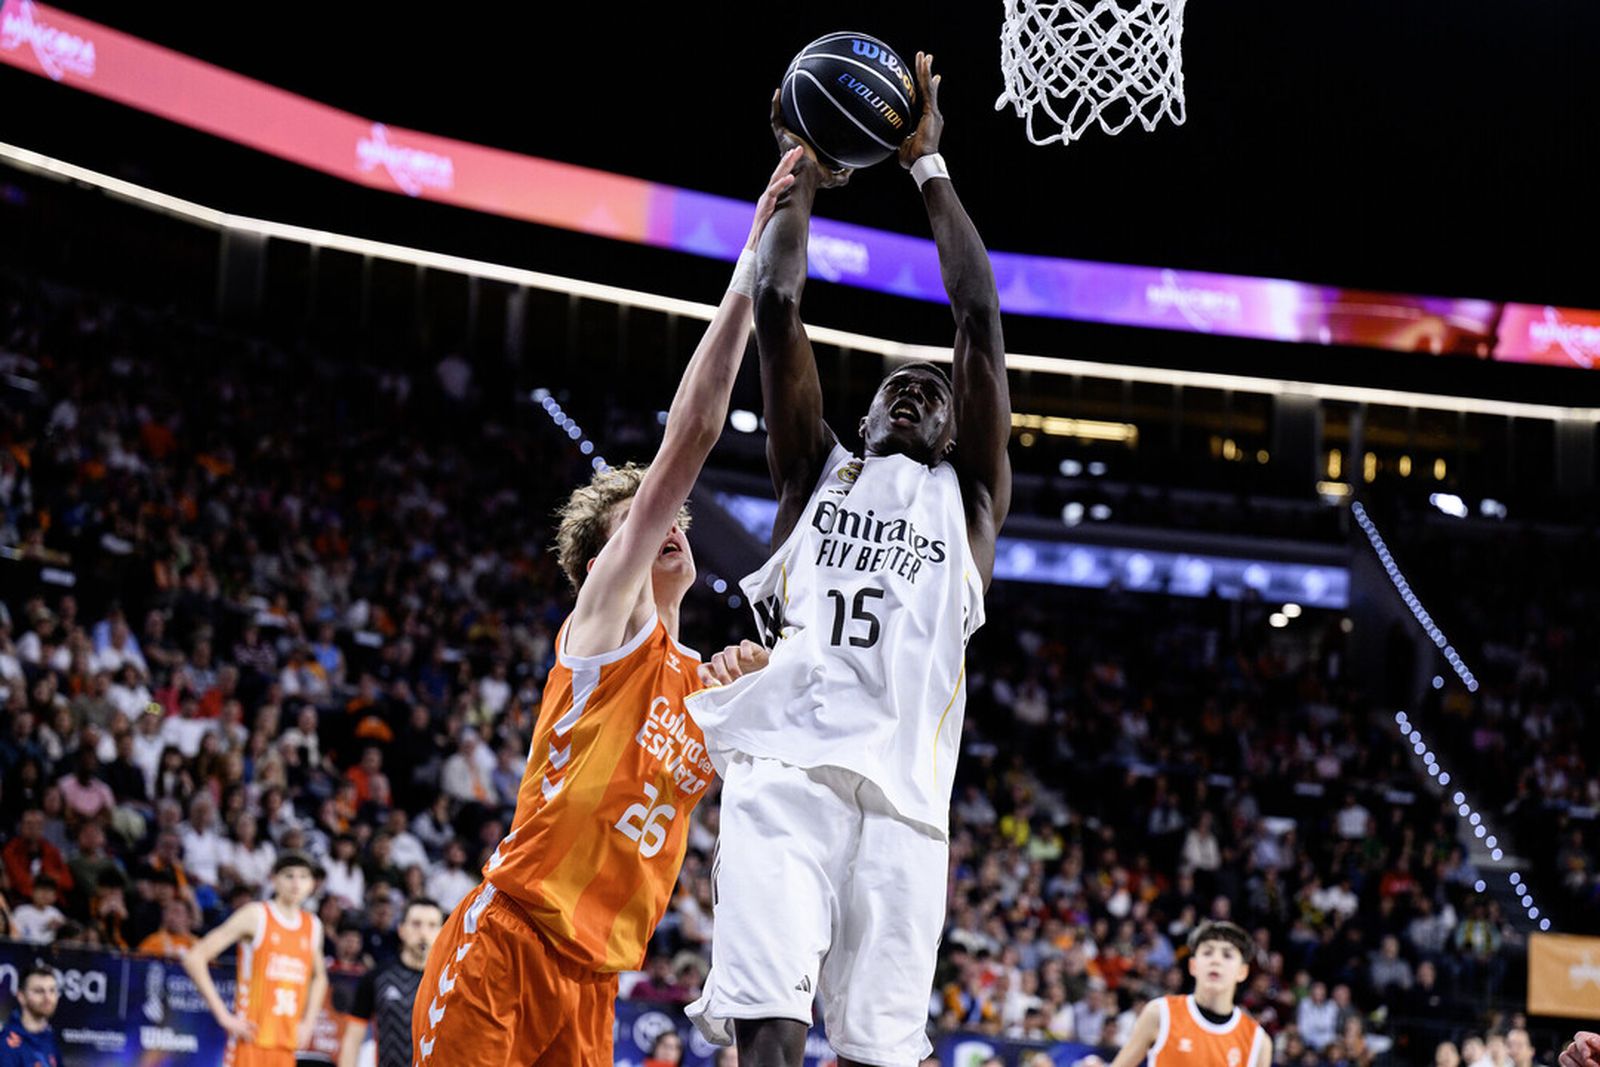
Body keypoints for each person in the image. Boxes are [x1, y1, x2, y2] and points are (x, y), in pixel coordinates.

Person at [409, 148, 803, 1067]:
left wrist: (759, 675)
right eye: (642, 520)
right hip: (508, 943)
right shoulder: (604, 630)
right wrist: (751, 266)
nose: (669, 526)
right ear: (604, 562)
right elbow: (693, 435)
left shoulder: (704, 686)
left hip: (596, 984)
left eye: (670, 518)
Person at [684, 53, 1012, 1067]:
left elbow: (976, 322)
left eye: (935, 392)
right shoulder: (811, 475)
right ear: (862, 414)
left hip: (908, 804)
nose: (917, 391)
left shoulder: (970, 501)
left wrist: (927, 166)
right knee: (771, 1035)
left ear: (959, 427)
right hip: (786, 772)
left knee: (880, 1054)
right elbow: (778, 306)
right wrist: (800, 166)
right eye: (895, 387)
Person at [181, 851, 329, 1067]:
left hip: (285, 1045)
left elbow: (320, 977)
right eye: (289, 875)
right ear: (274, 879)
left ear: (312, 884)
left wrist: (308, 1023)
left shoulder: (313, 925)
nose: (296, 883)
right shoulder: (256, 915)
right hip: (250, 1040)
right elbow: (194, 958)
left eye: (304, 877)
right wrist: (224, 1016)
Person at [1108, 921, 1270, 1067]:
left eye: (1227, 955)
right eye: (1208, 952)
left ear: (1242, 971)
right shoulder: (1160, 1013)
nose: (1216, 961)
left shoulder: (1258, 1042)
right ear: (1193, 965)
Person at [340, 899, 443, 1067]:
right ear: (401, 929)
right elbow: (352, 1040)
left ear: (442, 932)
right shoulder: (377, 977)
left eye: (432, 925)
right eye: (416, 924)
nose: (424, 933)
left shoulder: (452, 982)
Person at [0, 966, 61, 1067]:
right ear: (21, 997)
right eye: (39, 991)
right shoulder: (5, 1044)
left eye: (52, 990)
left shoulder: (49, 1038)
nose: (48, 997)